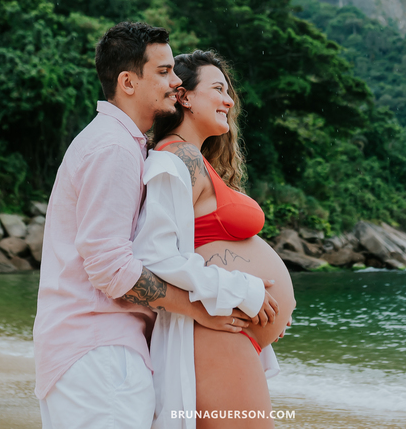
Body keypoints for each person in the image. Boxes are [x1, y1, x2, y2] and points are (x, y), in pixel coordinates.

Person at [33, 23, 270, 429]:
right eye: (163, 72)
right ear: (128, 82)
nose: (175, 81)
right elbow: (111, 268)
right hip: (100, 355)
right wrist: (205, 309)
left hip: (99, 353)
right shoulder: (113, 148)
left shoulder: (123, 144)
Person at [137, 50, 296, 429]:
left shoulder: (192, 159)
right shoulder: (177, 158)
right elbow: (155, 255)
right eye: (218, 89)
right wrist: (244, 292)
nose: (229, 100)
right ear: (185, 97)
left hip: (230, 333)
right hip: (216, 333)